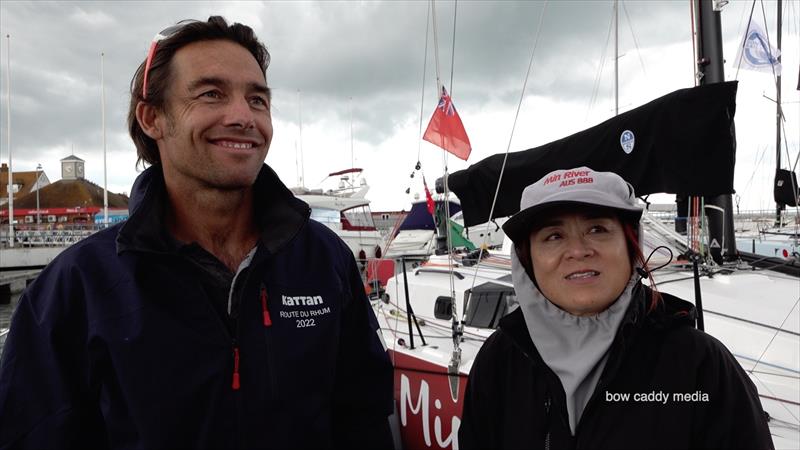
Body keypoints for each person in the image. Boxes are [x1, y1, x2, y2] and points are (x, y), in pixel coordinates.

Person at [0, 17, 394, 449]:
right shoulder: (77, 289)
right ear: (152, 118)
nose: (244, 117)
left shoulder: (323, 260)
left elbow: (364, 416)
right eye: (211, 94)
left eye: (257, 100)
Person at [458, 167, 773, 449]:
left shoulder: (701, 367)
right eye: (553, 236)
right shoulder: (499, 362)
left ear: (631, 245)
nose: (578, 250)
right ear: (528, 261)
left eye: (597, 229)